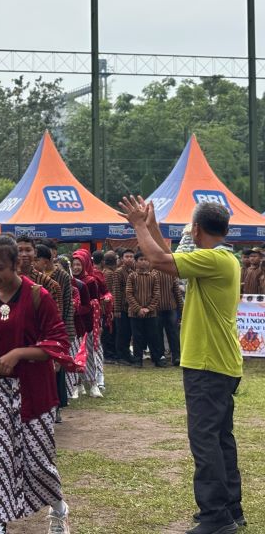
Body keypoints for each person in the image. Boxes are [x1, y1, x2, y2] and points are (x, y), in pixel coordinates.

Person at [120, 197, 245, 534]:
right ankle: (230, 508)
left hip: (208, 363)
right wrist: (153, 225)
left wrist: (138, 226)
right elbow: (169, 259)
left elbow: (160, 260)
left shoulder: (215, 260)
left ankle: (216, 516)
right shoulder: (222, 258)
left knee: (205, 440)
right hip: (219, 362)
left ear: (197, 229)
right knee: (220, 439)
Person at [0, 235, 71, 534]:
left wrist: (18, 354)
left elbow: (59, 342)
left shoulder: (38, 296)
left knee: (38, 460)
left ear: (16, 264)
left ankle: (58, 508)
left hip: (34, 392)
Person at [34, 243, 74, 422]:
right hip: (37, 328)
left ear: (45, 260)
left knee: (56, 370)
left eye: (37, 259)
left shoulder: (60, 277)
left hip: (57, 325)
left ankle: (56, 406)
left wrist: (64, 330)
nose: (34, 263)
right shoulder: (31, 277)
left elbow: (66, 303)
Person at [72, 249, 104, 398]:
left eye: (79, 264)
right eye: (74, 265)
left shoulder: (90, 281)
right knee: (74, 355)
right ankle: (76, 384)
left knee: (89, 354)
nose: (76, 267)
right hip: (73, 325)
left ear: (85, 264)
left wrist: (79, 307)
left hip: (88, 323)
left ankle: (93, 383)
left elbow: (95, 301)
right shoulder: (69, 281)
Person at [125, 251, 163, 367]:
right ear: (136, 262)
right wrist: (138, 309)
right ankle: (138, 360)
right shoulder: (132, 276)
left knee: (153, 336)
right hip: (135, 313)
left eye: (146, 259)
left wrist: (148, 308)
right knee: (137, 337)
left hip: (151, 313)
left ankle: (157, 359)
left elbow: (156, 294)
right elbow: (129, 294)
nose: (143, 262)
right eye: (141, 259)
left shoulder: (154, 276)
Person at [113, 248, 136, 365]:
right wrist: (116, 309)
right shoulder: (119, 272)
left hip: (131, 307)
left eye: (131, 256)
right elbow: (116, 290)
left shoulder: (133, 271)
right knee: (122, 332)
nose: (129, 259)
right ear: (122, 259)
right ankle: (120, 356)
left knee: (128, 332)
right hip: (121, 307)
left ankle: (126, 354)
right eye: (127, 256)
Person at [157, 268, 184, 366]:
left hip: (170, 307)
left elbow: (177, 291)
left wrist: (181, 308)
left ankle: (173, 356)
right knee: (165, 333)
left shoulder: (170, 274)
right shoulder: (152, 273)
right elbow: (177, 292)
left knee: (172, 332)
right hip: (158, 308)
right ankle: (165, 356)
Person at [101, 251, 119, 364]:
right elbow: (112, 292)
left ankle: (108, 353)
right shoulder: (111, 274)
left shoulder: (104, 272)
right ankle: (109, 354)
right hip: (109, 307)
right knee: (110, 332)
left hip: (106, 306)